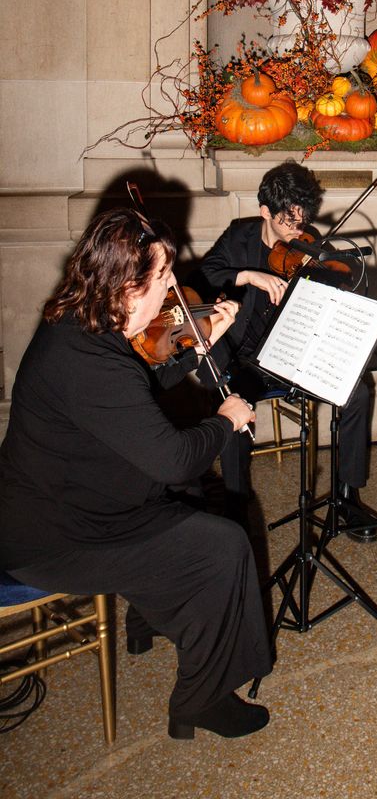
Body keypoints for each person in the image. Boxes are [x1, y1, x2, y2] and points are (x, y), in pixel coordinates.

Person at [0, 209, 272, 739]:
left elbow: (135, 388)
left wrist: (195, 350)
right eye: (163, 276)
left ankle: (150, 617)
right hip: (54, 535)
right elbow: (175, 457)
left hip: (70, 495)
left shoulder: (82, 322)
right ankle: (203, 700)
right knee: (222, 546)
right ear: (127, 288)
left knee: (189, 496)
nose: (173, 287)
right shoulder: (84, 360)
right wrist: (225, 420)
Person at [196, 160, 377, 541]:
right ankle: (235, 507)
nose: (299, 229)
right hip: (248, 358)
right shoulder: (239, 236)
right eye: (289, 221)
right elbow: (203, 274)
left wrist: (324, 276)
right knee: (233, 405)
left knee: (357, 391)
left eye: (303, 220)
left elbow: (336, 290)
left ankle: (348, 495)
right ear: (265, 212)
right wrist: (249, 276)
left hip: (295, 350)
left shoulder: (308, 243)